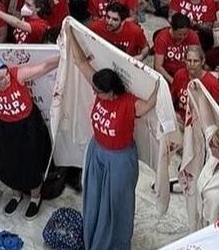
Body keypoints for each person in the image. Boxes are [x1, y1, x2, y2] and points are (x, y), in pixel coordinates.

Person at [67, 24, 157, 249]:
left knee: (117, 205)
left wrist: (158, 82)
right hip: (97, 152)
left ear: (111, 92)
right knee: (94, 200)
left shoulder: (129, 104)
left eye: (98, 92)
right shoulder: (101, 86)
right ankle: (94, 239)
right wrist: (69, 30)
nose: (95, 93)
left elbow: (155, 99)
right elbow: (80, 62)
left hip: (120, 159)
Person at [0, 55, 58, 218]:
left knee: (32, 164)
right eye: (1, 78)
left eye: (6, 74)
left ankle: (35, 198)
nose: (6, 79)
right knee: (8, 164)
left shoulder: (17, 75)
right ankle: (16, 195)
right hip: (4, 128)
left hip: (27, 126)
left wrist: (64, 55)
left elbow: (44, 66)